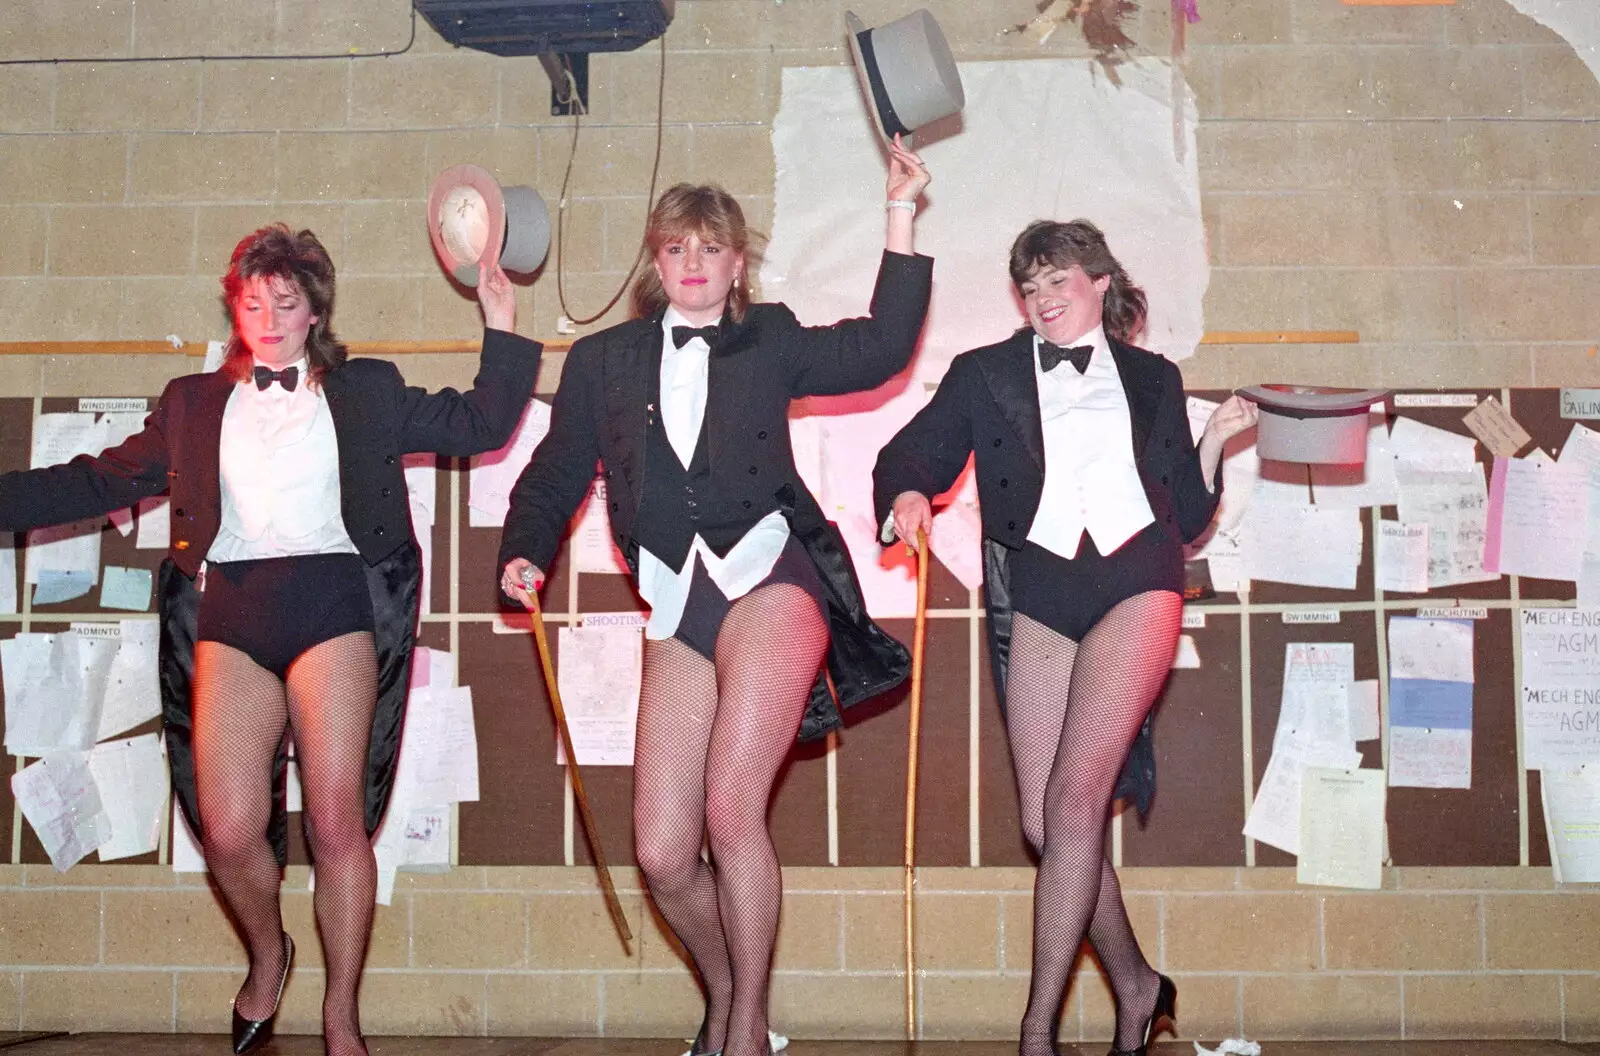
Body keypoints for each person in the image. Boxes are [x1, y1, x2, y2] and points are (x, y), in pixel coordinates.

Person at [0, 224, 540, 1056]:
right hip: (234, 617)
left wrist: (502, 324)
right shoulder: (192, 401)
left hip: (332, 609)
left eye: (286, 302)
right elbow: (96, 479)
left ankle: (342, 1019)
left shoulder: (366, 389)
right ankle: (269, 954)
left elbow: (478, 422)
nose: (269, 317)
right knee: (226, 828)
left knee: (335, 824)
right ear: (235, 307)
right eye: (253, 303)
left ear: (314, 309)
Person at [497, 138, 933, 1056]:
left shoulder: (768, 339)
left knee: (732, 807)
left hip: (771, 577)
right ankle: (735, 992)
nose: (693, 265)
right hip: (675, 597)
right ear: (657, 264)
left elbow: (885, 346)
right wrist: (526, 552)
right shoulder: (603, 360)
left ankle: (741, 1033)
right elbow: (554, 471)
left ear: (738, 264)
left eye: (711, 249)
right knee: (661, 850)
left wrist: (900, 209)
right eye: (675, 250)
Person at [873, 219, 1257, 1056]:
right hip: (1043, 590)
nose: (1045, 301)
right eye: (1031, 288)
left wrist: (1216, 442)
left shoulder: (1155, 378)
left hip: (1137, 583)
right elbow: (914, 453)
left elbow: (1186, 518)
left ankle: (1035, 1033)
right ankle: (1137, 985)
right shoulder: (987, 374)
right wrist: (907, 496)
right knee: (1049, 826)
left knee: (1076, 803)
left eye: (1061, 283)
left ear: (1100, 284)